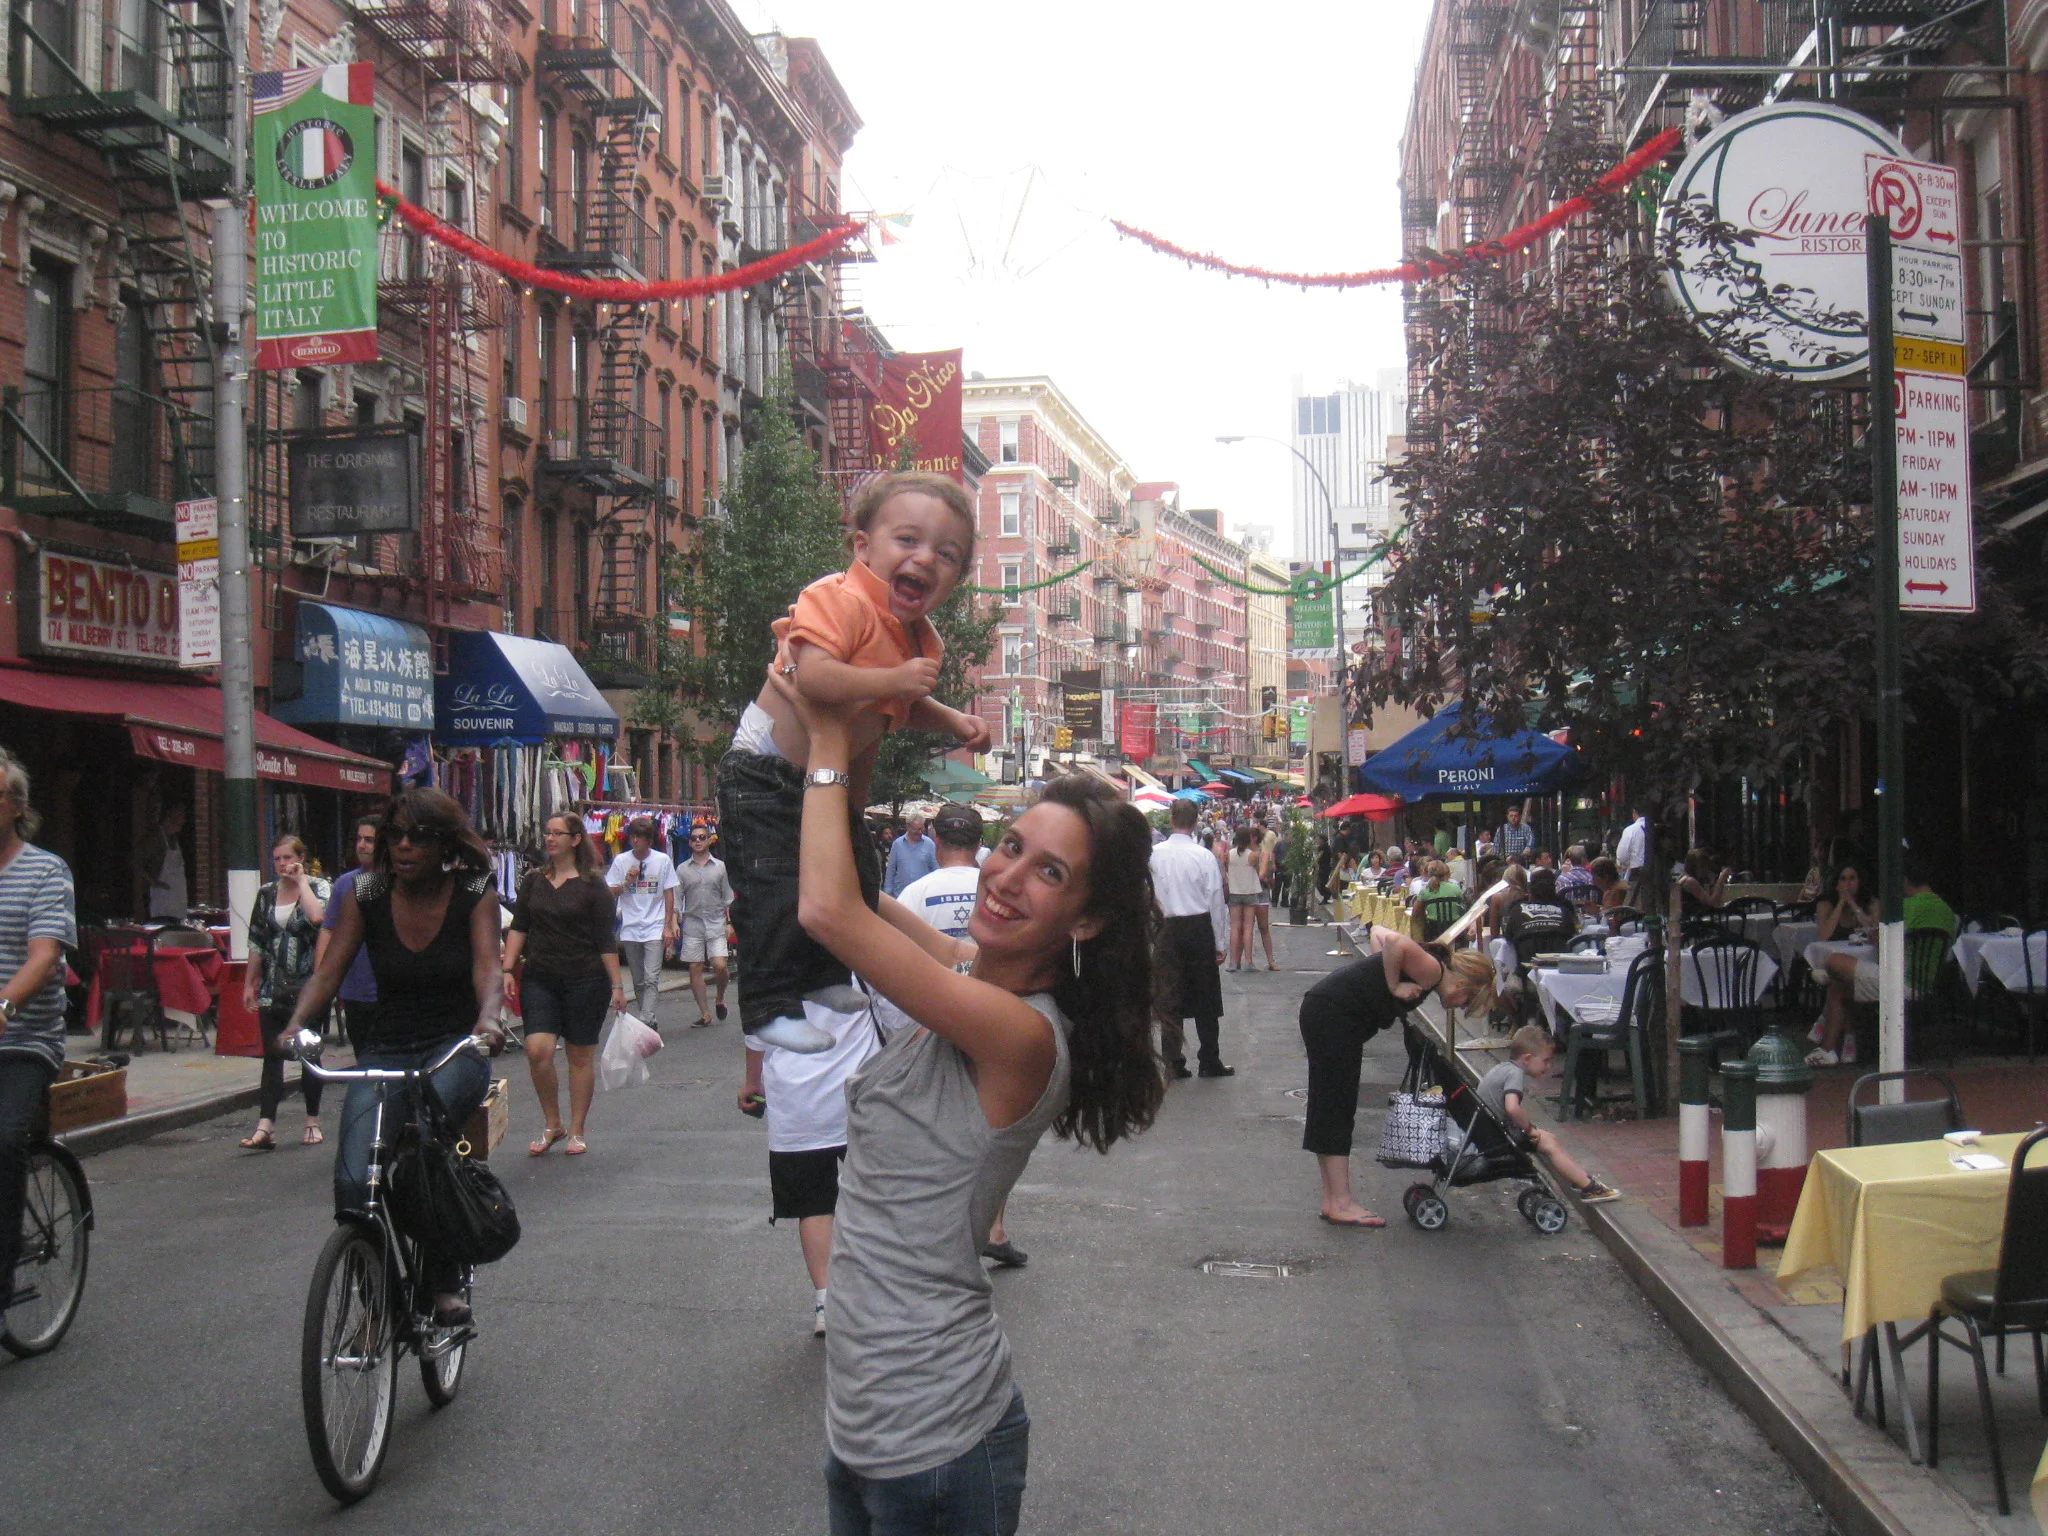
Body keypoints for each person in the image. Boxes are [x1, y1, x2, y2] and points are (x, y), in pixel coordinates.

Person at [790, 681, 1163, 1536]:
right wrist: (861, 719)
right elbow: (840, 881)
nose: (1006, 876)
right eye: (1012, 846)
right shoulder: (967, 973)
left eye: (1051, 872)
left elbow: (827, 910)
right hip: (865, 1429)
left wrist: (824, 733)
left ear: (1088, 917)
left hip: (940, 1447)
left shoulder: (1020, 1037)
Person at [719, 470, 989, 1054]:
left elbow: (900, 705)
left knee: (859, 883)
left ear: (957, 579)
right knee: (773, 888)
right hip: (766, 771)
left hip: (831, 788)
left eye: (946, 554)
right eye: (908, 540)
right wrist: (895, 677)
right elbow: (815, 677)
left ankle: (823, 975)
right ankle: (767, 1004)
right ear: (862, 545)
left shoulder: (920, 638)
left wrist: (953, 722)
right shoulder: (838, 599)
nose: (924, 559)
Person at [283, 787, 503, 1327]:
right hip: (386, 1049)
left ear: (444, 844)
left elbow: (487, 969)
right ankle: (378, 1299)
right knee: (355, 1180)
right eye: (395, 836)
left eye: (419, 837)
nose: (404, 847)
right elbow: (329, 970)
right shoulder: (367, 891)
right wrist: (296, 1025)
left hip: (454, 1049)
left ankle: (443, 1276)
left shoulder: (473, 890)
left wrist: (489, 1018)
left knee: (422, 1148)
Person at [891, 804, 1026, 1270]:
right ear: (978, 840)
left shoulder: (914, 893)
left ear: (936, 838)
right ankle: (994, 1226)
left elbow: (894, 964)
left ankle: (934, 1231)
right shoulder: (997, 890)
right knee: (994, 1126)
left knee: (933, 1132)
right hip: (994, 1019)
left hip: (931, 1020)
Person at [1301, 930, 1496, 1226]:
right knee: (1337, 1109)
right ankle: (1340, 1202)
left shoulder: (1428, 966)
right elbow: (1394, 942)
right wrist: (1393, 986)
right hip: (1336, 1016)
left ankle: (1332, 1199)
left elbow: (1379, 935)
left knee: (1326, 1106)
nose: (1459, 1006)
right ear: (1463, 981)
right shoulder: (1432, 970)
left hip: (1325, 1008)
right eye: (1466, 999)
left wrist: (1382, 973)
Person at [741, 1001, 878, 1337]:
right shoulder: (861, 949)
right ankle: (893, 1293)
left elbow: (757, 1030)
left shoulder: (766, 954)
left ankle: (827, 1302)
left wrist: (751, 1082)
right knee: (883, 1195)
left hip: (797, 1097)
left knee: (814, 1204)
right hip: (863, 1091)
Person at [505, 812, 627, 1156]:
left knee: (579, 1055)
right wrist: (507, 969)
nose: (550, 839)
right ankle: (552, 1123)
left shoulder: (593, 885)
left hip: (586, 979)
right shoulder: (533, 880)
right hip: (540, 977)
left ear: (575, 840)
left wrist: (617, 986)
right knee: (537, 1051)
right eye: (548, 832)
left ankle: (576, 1129)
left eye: (558, 833)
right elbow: (519, 926)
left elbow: (606, 940)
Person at [0, 749, 75, 1301]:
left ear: (16, 807)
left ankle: (1, 1280)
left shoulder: (45, 869)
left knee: (4, 1140)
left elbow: (44, 955)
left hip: (25, 1038)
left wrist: (3, 1008)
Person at [1804, 864, 1952, 1066]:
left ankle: (1828, 1036)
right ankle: (1828, 1050)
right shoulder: (1947, 911)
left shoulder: (1905, 907)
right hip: (1927, 986)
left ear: (1906, 880)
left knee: (1834, 961)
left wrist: (1875, 936)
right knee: (1839, 987)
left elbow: (1883, 942)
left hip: (1900, 982)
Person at [239, 835, 330, 1150]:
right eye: (276, 859)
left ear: (300, 859)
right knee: (272, 1054)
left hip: (308, 985)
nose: (282, 865)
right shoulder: (266, 893)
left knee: (309, 1054)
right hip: (272, 984)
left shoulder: (319, 888)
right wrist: (249, 983)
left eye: (287, 858)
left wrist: (301, 881)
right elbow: (257, 939)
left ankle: (312, 1120)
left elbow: (319, 918)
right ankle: (266, 1125)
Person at [1476, 1026, 1620, 1202]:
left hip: (1489, 1130)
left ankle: (1580, 1179)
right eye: (1545, 1060)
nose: (1548, 1066)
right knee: (1548, 1143)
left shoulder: (1502, 1068)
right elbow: (1512, 1108)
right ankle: (1588, 1187)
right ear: (1527, 1058)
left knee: (1550, 1138)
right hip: (1498, 1136)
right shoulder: (1515, 1074)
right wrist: (1529, 1129)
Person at [1151, 797, 1231, 1078]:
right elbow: (1216, 901)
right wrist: (1220, 942)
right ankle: (1209, 1059)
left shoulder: (1154, 855)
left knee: (1168, 997)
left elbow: (1145, 896)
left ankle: (1172, 1060)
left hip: (1166, 929)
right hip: (1198, 927)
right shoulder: (1203, 856)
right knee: (1207, 997)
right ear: (1196, 822)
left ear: (1172, 820)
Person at [316, 817, 381, 1056]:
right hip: (354, 990)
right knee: (363, 1056)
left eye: (370, 840)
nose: (362, 845)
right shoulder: (344, 883)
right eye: (359, 839)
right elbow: (328, 929)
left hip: (390, 992)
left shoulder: (400, 882)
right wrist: (321, 977)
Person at [606, 816, 679, 1025]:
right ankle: (648, 1016)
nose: (635, 841)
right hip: (630, 926)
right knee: (638, 980)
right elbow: (609, 891)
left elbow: (668, 893)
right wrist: (627, 881)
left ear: (649, 840)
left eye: (640, 837)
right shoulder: (621, 861)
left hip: (654, 926)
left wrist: (667, 925)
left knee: (651, 977)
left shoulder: (662, 860)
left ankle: (645, 1020)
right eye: (633, 837)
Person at [675, 823, 735, 1029]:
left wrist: (730, 922)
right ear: (689, 842)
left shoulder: (720, 867)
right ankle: (705, 1013)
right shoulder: (682, 869)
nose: (698, 841)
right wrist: (674, 922)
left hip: (716, 921)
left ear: (709, 840)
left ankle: (720, 997)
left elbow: (728, 897)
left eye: (702, 837)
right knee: (695, 967)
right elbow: (677, 899)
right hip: (693, 922)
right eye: (694, 838)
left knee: (719, 965)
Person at [137, 800, 189, 920]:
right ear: (170, 817)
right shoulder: (156, 839)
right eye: (181, 816)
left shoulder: (174, 840)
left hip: (178, 905)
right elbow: (136, 862)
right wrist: (153, 881)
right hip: (162, 904)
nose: (183, 821)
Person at [1224, 826, 1265, 972]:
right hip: (1249, 892)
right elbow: (1260, 871)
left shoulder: (1229, 854)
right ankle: (1248, 961)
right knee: (1248, 927)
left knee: (1235, 927)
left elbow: (1226, 869)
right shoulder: (1253, 855)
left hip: (1234, 892)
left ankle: (1233, 962)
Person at [884, 814, 939, 898]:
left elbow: (936, 869)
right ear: (908, 827)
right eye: (916, 829)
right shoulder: (897, 844)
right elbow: (891, 869)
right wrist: (888, 892)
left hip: (923, 896)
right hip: (900, 895)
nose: (920, 832)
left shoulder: (930, 844)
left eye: (922, 829)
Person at [1408, 859, 1465, 938]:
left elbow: (1415, 914)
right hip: (1455, 929)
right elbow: (1463, 908)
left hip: (1433, 930)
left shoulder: (1425, 892)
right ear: (1445, 872)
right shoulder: (1456, 888)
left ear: (1428, 873)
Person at [1615, 807, 1650, 902]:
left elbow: (1622, 857)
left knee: (1637, 904)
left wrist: (1625, 865)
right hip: (1659, 875)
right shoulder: (1658, 828)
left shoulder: (1631, 830)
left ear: (1634, 812)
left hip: (1637, 874)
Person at [1554, 844, 1598, 919]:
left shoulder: (1562, 878)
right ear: (1584, 859)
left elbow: (1557, 903)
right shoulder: (1593, 878)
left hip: (1567, 918)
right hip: (1592, 918)